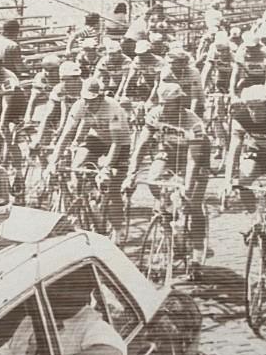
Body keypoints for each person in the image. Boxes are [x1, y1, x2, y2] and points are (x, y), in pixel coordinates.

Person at [125, 82, 210, 276]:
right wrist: (131, 174)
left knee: (193, 204)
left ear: (180, 103)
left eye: (169, 104)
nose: (164, 108)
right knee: (153, 180)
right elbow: (141, 146)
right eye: (162, 103)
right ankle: (168, 212)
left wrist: (187, 188)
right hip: (168, 154)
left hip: (196, 158)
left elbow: (193, 160)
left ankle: (197, 256)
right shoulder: (155, 114)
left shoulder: (194, 123)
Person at [49, 77, 132, 233]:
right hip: (97, 138)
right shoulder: (79, 106)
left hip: (120, 143)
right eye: (85, 100)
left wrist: (106, 168)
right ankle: (92, 196)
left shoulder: (113, 108)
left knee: (113, 187)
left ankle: (118, 230)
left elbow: (116, 143)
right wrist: (53, 161)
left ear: (101, 98)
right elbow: (66, 135)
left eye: (92, 101)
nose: (88, 105)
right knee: (77, 169)